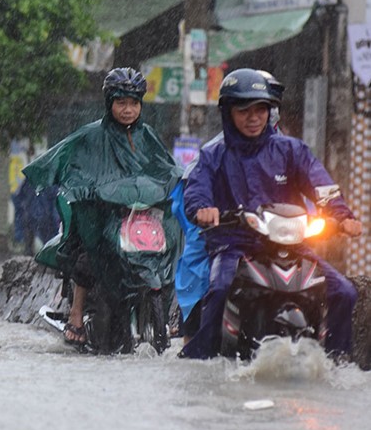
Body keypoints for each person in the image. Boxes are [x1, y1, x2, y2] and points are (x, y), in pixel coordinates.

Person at [180, 68, 362, 360]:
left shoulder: (292, 150)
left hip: (292, 246)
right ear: (228, 112)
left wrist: (341, 215)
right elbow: (197, 190)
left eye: (261, 110)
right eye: (244, 111)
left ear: (270, 111)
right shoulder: (214, 155)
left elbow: (322, 185)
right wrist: (202, 209)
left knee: (344, 292)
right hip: (234, 246)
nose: (253, 118)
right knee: (220, 289)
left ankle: (337, 364)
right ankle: (201, 361)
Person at [23, 67, 182, 347]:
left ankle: (170, 316)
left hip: (141, 216)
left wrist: (178, 178)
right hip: (104, 213)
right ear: (110, 103)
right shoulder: (92, 136)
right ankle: (75, 314)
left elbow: (165, 167)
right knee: (88, 256)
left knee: (170, 247)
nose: (128, 109)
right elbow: (74, 167)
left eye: (134, 103)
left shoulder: (148, 137)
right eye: (121, 102)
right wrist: (88, 189)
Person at [172, 69, 285, 342]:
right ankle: (194, 340)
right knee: (204, 275)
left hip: (271, 234)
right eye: (248, 107)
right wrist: (206, 215)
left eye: (265, 105)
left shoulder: (286, 148)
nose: (256, 115)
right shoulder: (215, 151)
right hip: (223, 231)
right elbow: (191, 196)